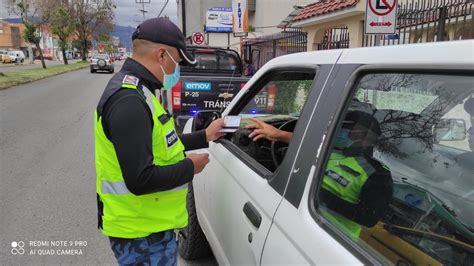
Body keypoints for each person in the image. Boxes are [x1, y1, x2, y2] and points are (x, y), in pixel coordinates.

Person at [94, 18, 224, 265]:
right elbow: (140, 180)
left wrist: (204, 136)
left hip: (147, 228)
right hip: (140, 235)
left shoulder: (140, 91)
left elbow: (162, 144)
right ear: (162, 55)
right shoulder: (129, 101)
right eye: (178, 60)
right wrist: (190, 167)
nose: (179, 68)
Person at [245, 111, 392, 240]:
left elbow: (368, 217)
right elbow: (310, 144)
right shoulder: (335, 149)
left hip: (331, 238)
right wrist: (277, 134)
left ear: (366, 137)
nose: (338, 131)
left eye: (346, 128)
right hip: (297, 220)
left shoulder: (378, 174)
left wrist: (317, 194)